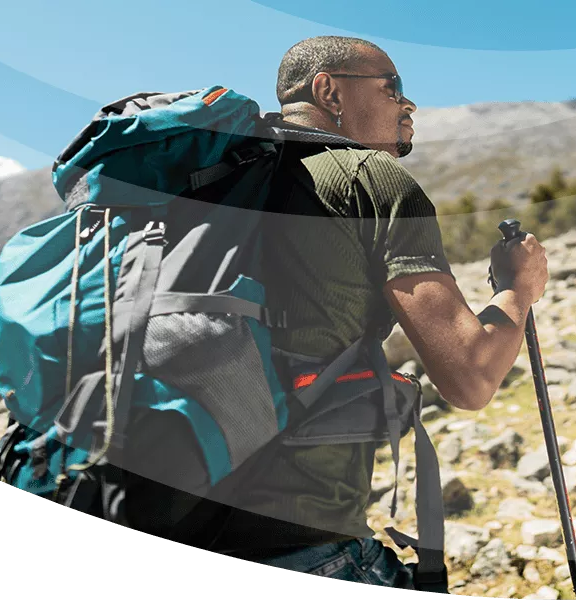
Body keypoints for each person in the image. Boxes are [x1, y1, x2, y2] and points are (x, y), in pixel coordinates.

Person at [177, 36, 550, 589]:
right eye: (392, 86)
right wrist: (517, 290)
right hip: (298, 540)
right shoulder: (371, 181)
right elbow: (471, 376)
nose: (409, 104)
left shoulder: (209, 188)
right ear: (329, 91)